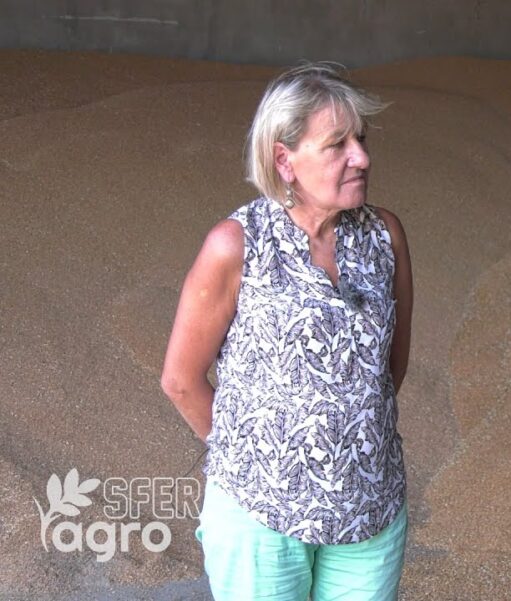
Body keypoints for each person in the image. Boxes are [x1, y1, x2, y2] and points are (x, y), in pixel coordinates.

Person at [161, 62, 413, 601]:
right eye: (337, 144)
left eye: (361, 140)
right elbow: (181, 380)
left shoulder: (385, 236)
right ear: (285, 159)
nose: (361, 158)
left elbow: (389, 368)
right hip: (260, 520)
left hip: (369, 515)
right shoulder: (236, 245)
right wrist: (258, 460)